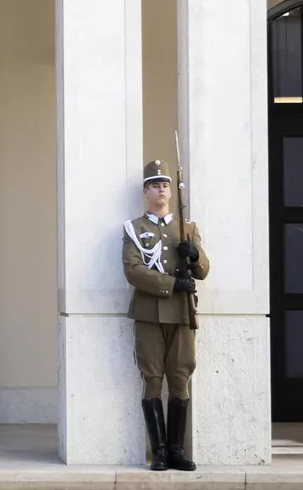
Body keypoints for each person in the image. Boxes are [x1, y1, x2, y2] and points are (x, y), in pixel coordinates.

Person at [123, 160, 208, 472]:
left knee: (181, 378)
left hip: (182, 314)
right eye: (155, 185)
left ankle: (176, 450)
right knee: (153, 380)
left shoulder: (188, 227)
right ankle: (158, 451)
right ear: (146, 191)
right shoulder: (135, 229)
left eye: (165, 185)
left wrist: (194, 254)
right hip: (149, 314)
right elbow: (133, 271)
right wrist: (173, 284)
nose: (161, 189)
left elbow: (204, 270)